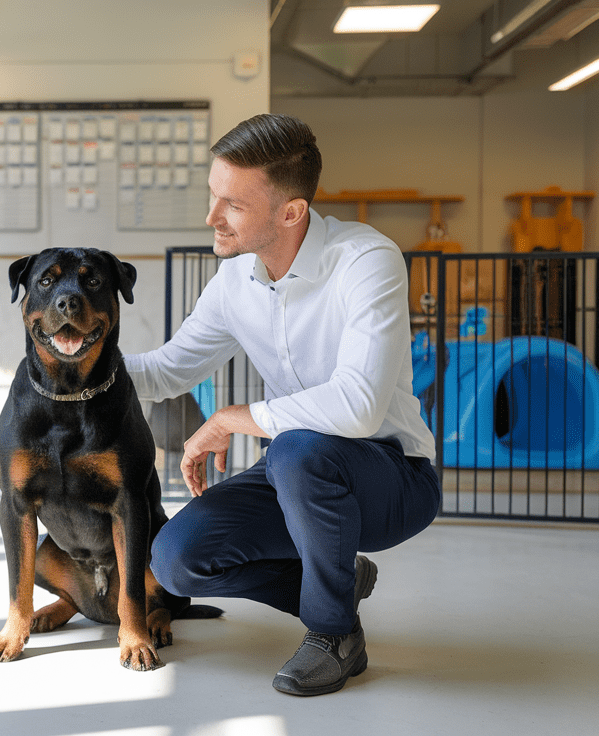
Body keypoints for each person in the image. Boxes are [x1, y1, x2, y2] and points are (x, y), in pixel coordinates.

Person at [123, 113, 442, 696]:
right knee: (176, 559)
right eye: (212, 195)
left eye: (232, 205)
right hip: (293, 472)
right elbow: (168, 369)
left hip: (392, 478)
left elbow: (360, 407)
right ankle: (336, 580)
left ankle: (333, 632)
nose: (211, 217)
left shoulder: (366, 261)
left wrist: (230, 419)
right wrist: (70, 367)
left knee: (296, 450)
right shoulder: (233, 283)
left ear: (291, 212)